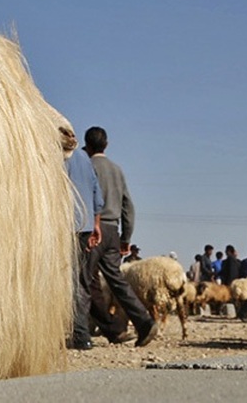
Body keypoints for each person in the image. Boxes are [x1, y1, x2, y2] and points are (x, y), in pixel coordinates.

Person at [84, 126, 159, 347]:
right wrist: (126, 237)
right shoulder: (117, 170)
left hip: (92, 230)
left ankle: (105, 330)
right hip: (113, 231)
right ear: (106, 145)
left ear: (86, 146)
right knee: (116, 280)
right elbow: (128, 205)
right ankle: (144, 321)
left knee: (86, 281)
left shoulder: (86, 167)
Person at [65, 143, 104, 350]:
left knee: (69, 280)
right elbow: (98, 196)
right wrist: (96, 225)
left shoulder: (59, 155)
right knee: (80, 279)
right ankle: (81, 334)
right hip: (86, 225)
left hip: (66, 225)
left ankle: (79, 335)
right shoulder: (84, 158)